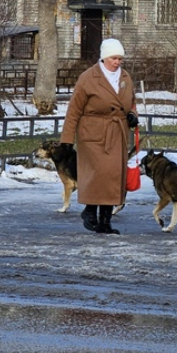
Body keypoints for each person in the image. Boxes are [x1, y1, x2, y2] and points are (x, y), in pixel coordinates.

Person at [60, 38, 139, 234]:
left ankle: (105, 222)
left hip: (117, 131)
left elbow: (132, 103)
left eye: (120, 58)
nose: (117, 62)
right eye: (114, 58)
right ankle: (89, 211)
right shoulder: (88, 78)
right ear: (104, 57)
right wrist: (67, 140)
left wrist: (133, 116)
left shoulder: (125, 78)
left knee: (113, 177)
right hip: (93, 133)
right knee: (99, 174)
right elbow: (74, 110)